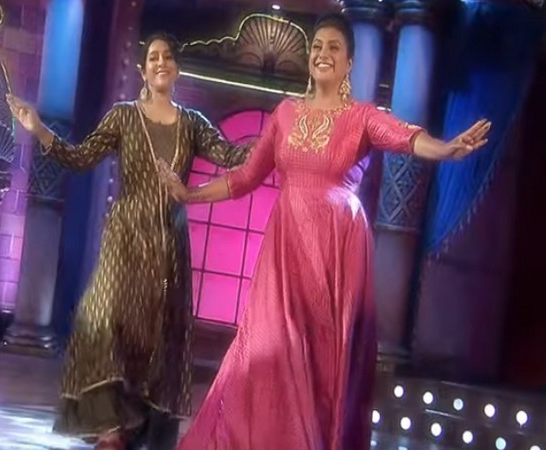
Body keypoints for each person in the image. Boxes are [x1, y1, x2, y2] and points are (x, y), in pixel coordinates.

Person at [156, 13, 490, 450]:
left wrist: (444, 149)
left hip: (335, 249)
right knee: (267, 347)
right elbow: (245, 177)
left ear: (349, 62)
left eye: (334, 47)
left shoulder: (361, 117)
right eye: (317, 46)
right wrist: (189, 193)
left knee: (320, 359)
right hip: (285, 251)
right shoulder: (285, 114)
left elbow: (405, 136)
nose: (322, 54)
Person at [6, 32, 250, 450]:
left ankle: (139, 429)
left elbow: (231, 156)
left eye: (167, 56)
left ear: (176, 68)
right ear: (143, 69)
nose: (160, 63)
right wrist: (40, 130)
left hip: (167, 245)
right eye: (153, 57)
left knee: (154, 337)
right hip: (124, 239)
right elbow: (81, 157)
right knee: (99, 318)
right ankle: (109, 428)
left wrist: (280, 137)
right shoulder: (123, 117)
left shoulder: (192, 124)